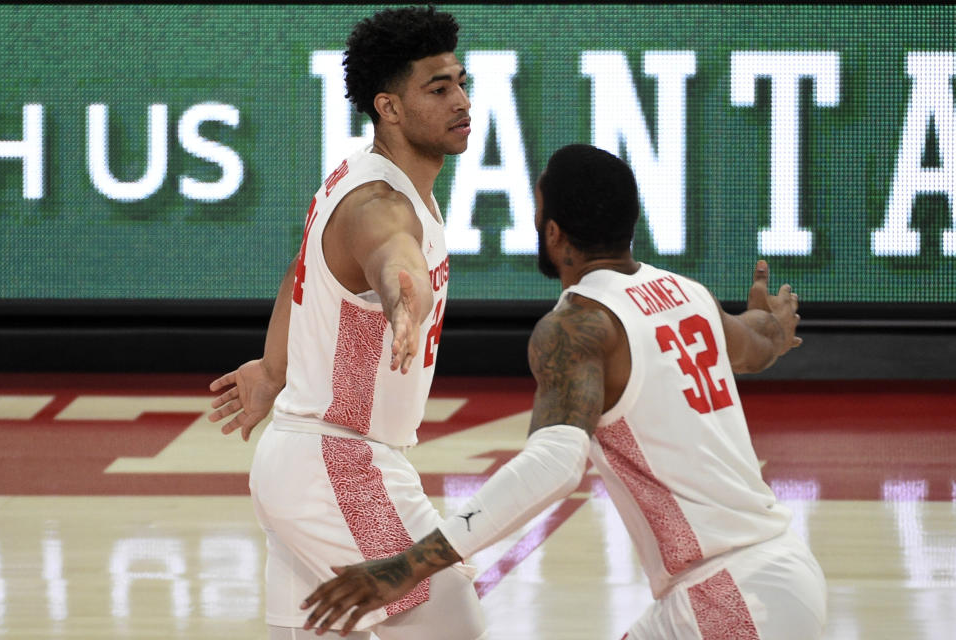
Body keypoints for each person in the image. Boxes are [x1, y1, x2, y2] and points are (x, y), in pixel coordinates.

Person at [298, 144, 828, 639]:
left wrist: (407, 565)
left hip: (731, 594)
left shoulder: (579, 325)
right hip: (775, 571)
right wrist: (772, 322)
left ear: (553, 232)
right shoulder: (688, 295)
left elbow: (554, 465)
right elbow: (755, 344)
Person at [206, 6, 486, 640]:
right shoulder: (378, 202)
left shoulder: (362, 174)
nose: (461, 100)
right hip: (341, 467)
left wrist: (273, 368)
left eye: (462, 83)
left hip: (303, 463)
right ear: (389, 107)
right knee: (454, 628)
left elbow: (298, 269)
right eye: (438, 89)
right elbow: (392, 251)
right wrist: (400, 292)